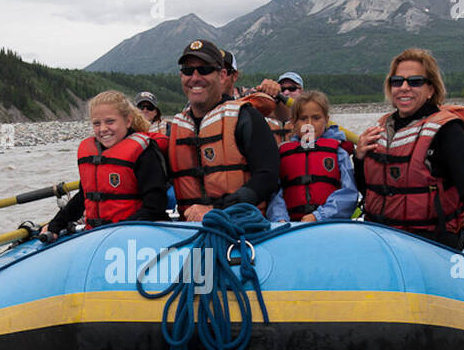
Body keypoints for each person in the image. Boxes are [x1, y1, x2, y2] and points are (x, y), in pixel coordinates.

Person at [354, 48, 464, 272]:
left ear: (431, 89)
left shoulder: (447, 131)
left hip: (432, 244)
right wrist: (360, 158)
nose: (404, 87)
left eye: (415, 81)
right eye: (397, 81)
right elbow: (368, 190)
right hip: (383, 239)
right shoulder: (381, 128)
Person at [167, 39, 280, 222]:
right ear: (181, 76)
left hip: (241, 227)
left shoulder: (246, 117)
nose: (195, 77)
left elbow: (267, 176)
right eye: (188, 70)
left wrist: (217, 209)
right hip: (189, 230)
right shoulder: (176, 127)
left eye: (204, 70)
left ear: (221, 75)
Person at [41, 90, 169, 238]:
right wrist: (55, 224)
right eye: (96, 123)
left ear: (128, 121)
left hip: (137, 235)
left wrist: (118, 232)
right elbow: (84, 197)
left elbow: (155, 205)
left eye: (110, 121)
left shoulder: (144, 153)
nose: (102, 129)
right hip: (99, 234)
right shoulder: (92, 153)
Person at [266, 90, 359, 223]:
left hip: (328, 223)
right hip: (290, 225)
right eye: (303, 119)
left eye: (316, 118)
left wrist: (318, 216)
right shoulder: (283, 153)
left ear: (326, 120)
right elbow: (275, 194)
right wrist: (280, 219)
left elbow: (348, 193)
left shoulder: (338, 152)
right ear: (293, 122)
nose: (309, 124)